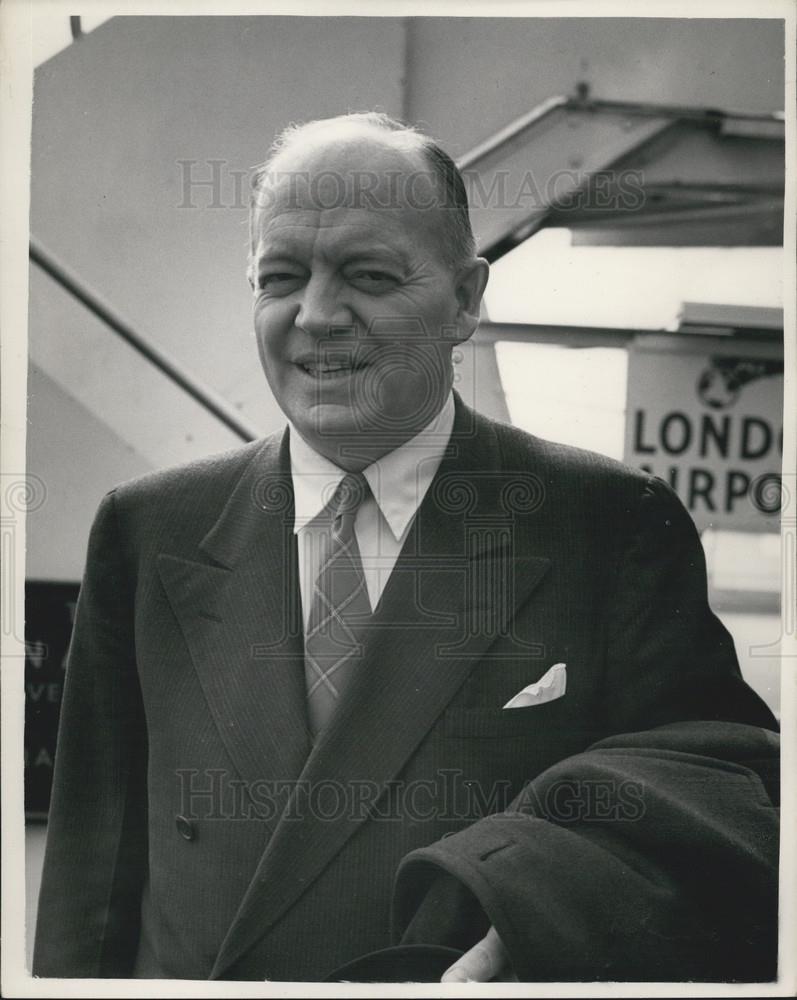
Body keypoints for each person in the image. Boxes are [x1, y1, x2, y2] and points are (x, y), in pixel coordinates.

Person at [33, 112, 779, 983]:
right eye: (279, 278)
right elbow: (92, 873)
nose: (314, 316)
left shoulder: (609, 527)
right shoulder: (149, 527)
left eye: (368, 275)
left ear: (465, 298)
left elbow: (729, 787)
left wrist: (537, 911)